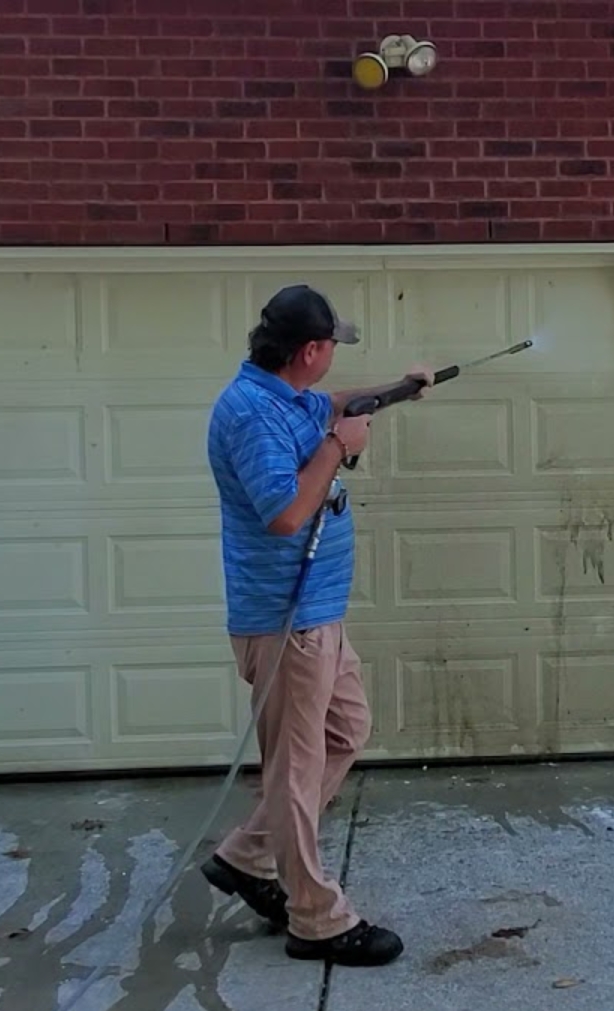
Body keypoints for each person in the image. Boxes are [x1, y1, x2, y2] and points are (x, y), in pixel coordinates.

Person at [198, 283, 428, 967]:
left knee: (345, 730)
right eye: (331, 346)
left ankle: (247, 857)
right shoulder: (251, 414)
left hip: (318, 614)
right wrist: (336, 447)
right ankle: (316, 918)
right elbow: (285, 514)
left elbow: (333, 403)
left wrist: (395, 391)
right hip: (286, 624)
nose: (334, 358)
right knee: (295, 772)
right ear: (309, 350)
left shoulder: (286, 394)